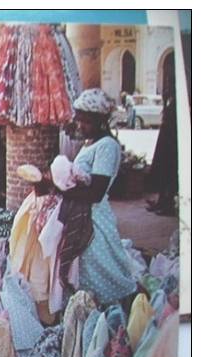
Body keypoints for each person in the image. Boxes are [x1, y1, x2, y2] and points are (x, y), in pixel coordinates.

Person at [53, 88, 137, 305]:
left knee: (104, 269)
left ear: (101, 120)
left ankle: (115, 310)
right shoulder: (91, 142)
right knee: (86, 270)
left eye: (86, 122)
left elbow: (96, 192)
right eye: (79, 120)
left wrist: (60, 189)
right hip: (83, 213)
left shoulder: (107, 146)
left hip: (95, 219)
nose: (80, 126)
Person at [147, 79, 178, 216]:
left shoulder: (177, 103)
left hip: (172, 143)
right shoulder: (169, 102)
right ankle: (161, 200)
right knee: (163, 173)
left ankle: (168, 204)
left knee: (170, 174)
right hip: (165, 141)